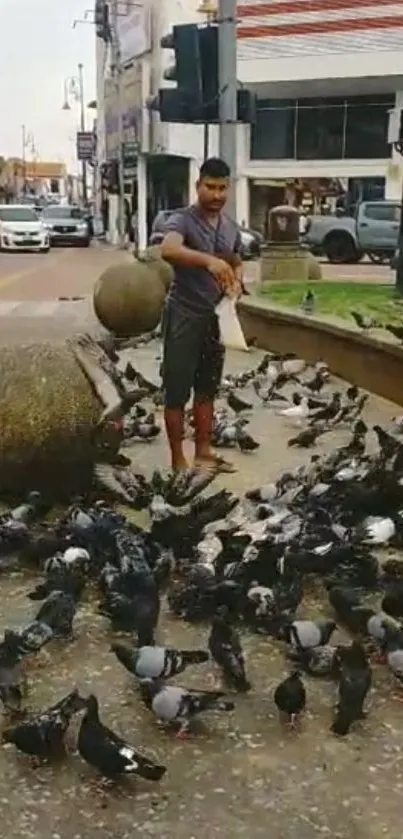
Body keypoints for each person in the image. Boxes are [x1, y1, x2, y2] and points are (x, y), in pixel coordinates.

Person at [160, 157, 243, 474]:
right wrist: (208, 262)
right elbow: (168, 250)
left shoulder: (230, 226)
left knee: (207, 388)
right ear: (198, 186)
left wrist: (237, 278)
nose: (217, 194)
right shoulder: (182, 220)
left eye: (222, 188)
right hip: (184, 314)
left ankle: (205, 453)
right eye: (210, 187)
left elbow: (235, 258)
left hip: (215, 319)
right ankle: (178, 460)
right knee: (176, 391)